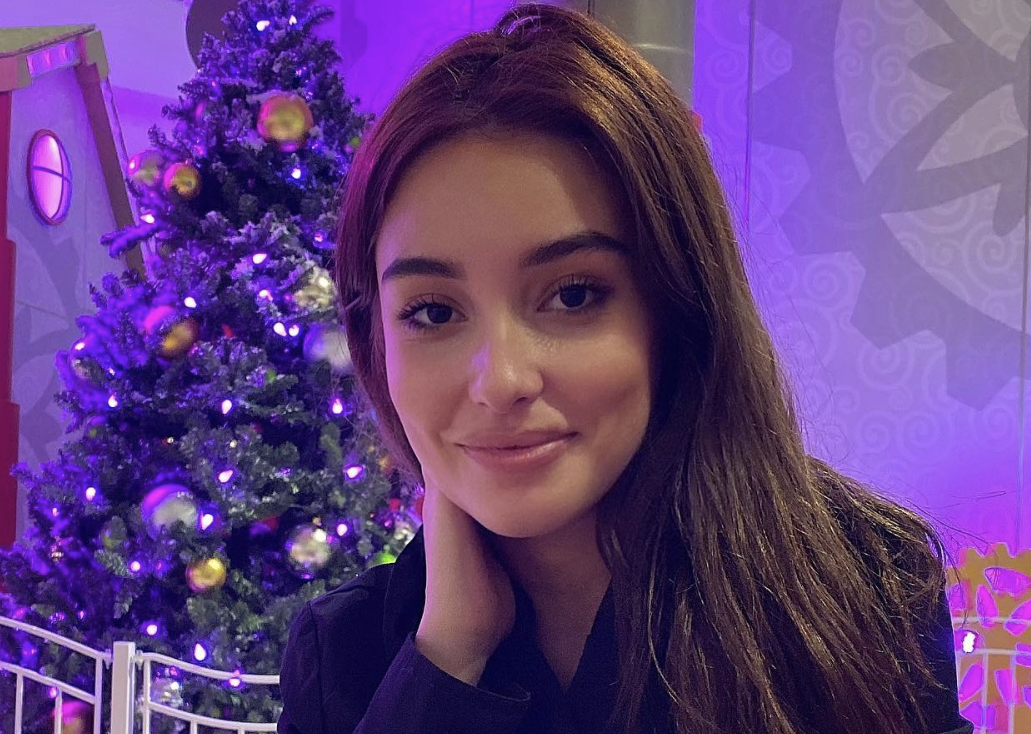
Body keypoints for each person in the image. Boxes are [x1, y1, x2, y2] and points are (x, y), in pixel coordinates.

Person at [276, 4, 974, 733]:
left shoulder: (860, 581)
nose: (501, 380)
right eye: (432, 312)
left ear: (677, 306)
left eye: (572, 296)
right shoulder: (345, 656)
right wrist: (447, 660)